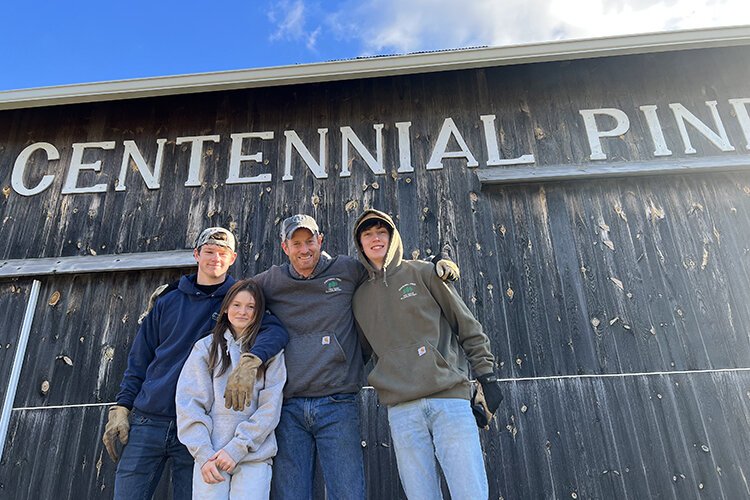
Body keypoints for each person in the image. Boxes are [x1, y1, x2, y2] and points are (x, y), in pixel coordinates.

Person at [225, 214, 459, 500]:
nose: (304, 249)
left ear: (320, 240)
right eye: (296, 243)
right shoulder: (270, 281)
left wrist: (434, 263)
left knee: (348, 493)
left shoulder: (347, 269)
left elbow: (386, 269)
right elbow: (233, 297)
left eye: (309, 241)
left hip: (338, 403)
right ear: (285, 248)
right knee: (292, 494)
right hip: (288, 406)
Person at [102, 227, 289, 500]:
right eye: (209, 252)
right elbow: (140, 357)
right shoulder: (169, 300)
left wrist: (251, 361)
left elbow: (276, 331)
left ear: (233, 258)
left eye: (222, 253)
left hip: (197, 429)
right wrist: (122, 406)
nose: (215, 258)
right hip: (149, 418)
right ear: (197, 254)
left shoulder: (237, 301)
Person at [351, 209, 504, 500]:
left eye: (381, 232)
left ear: (392, 237)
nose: (375, 238)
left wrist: (487, 376)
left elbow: (466, 324)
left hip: (449, 400)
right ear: (360, 244)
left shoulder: (423, 272)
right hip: (402, 410)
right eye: (367, 234)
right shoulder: (359, 298)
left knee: (469, 493)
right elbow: (359, 353)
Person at [176, 279, 286, 500]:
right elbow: (190, 404)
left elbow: (270, 408)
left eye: (250, 306)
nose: (243, 312)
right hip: (210, 458)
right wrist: (203, 453)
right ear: (225, 308)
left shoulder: (270, 353)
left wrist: (237, 448)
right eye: (236, 305)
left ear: (259, 312)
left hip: (253, 457)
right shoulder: (205, 348)